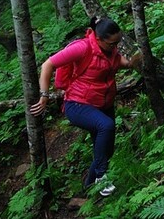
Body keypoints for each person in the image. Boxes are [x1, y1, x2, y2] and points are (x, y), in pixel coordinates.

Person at [30, 16, 141, 197]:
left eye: (118, 43)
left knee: (106, 150)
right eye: (112, 43)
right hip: (77, 104)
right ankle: (101, 176)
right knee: (106, 126)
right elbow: (48, 64)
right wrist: (44, 96)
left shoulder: (111, 51)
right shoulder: (82, 48)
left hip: (103, 105)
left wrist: (135, 60)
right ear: (99, 39)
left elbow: (122, 63)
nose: (116, 47)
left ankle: (89, 188)